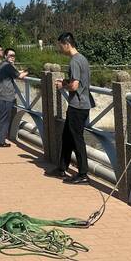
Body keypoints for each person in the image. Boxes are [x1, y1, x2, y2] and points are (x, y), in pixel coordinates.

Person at [46, 33, 92, 185]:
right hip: (80, 104)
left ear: (67, 44)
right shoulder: (82, 59)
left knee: (77, 139)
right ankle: (61, 168)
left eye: (60, 45)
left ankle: (83, 173)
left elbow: (75, 85)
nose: (60, 48)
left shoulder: (74, 61)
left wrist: (62, 85)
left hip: (78, 106)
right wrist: (67, 81)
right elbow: (77, 81)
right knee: (67, 137)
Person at [0, 48, 29, 147]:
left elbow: (15, 72)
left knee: (0, 118)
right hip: (4, 96)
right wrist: (30, 71)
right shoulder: (8, 66)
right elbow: (19, 76)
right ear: (5, 56)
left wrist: (21, 71)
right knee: (4, 119)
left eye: (14, 56)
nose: (12, 57)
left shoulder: (4, 64)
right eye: (10, 55)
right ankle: (0, 141)